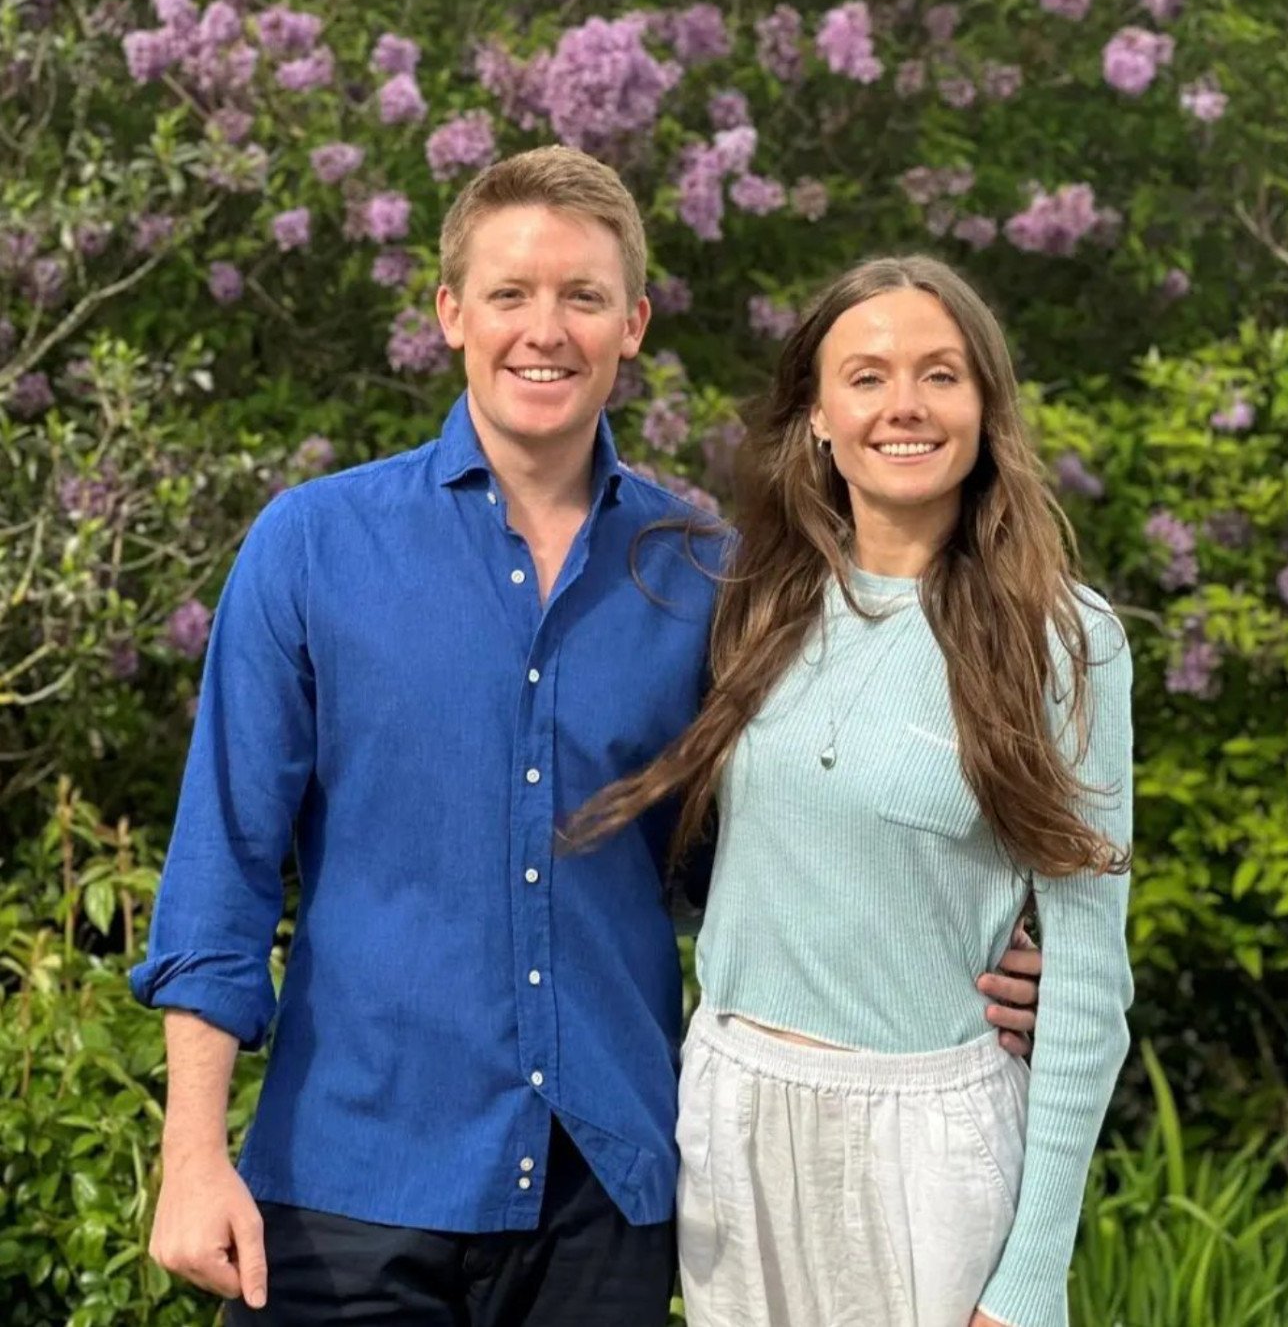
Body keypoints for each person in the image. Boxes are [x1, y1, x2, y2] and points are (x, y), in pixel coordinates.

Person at [129, 150, 1042, 1326]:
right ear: (450, 311)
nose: (542, 329)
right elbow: (223, 870)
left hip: (604, 1199)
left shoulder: (707, 569)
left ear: (633, 325)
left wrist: (989, 951)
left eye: (582, 297)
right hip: (349, 1186)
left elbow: (778, 850)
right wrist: (191, 1153)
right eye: (509, 293)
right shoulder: (311, 547)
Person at [570, 255, 1133, 1327]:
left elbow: (1087, 983)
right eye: (865, 375)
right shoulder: (743, 605)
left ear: (983, 407)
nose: (903, 405)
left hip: (930, 1143)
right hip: (734, 1120)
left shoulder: (1063, 640)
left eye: (940, 373)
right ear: (818, 417)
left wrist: (1025, 1279)